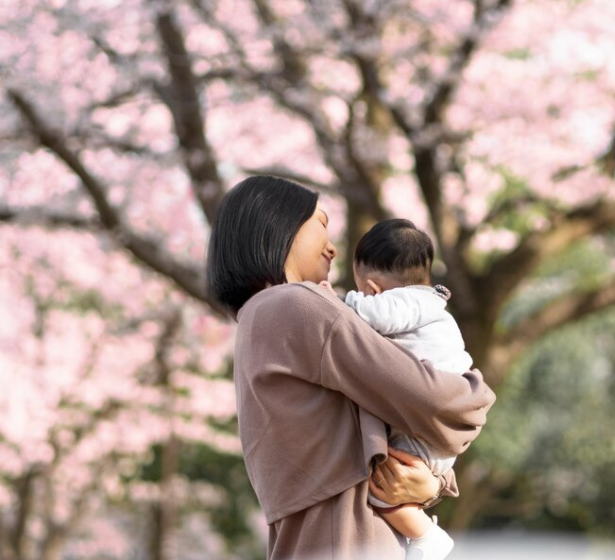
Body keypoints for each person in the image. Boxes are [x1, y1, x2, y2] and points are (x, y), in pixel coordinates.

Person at [206, 176, 495, 560]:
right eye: (321, 224)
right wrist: (475, 393)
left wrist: (430, 483)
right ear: (280, 225)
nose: (332, 248)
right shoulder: (296, 304)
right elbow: (442, 402)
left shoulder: (257, 320)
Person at [325, 218, 474, 560]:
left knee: (381, 490)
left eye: (363, 291)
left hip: (424, 431)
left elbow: (371, 317)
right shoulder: (431, 305)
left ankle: (427, 537)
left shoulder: (399, 306)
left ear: (374, 290)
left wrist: (335, 299)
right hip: (439, 427)